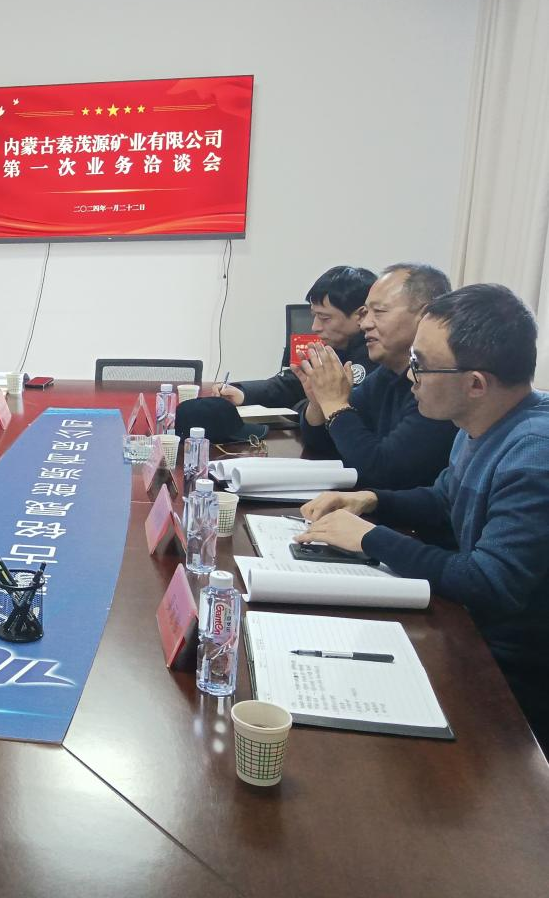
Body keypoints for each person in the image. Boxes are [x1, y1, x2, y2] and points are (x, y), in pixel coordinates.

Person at [297, 284, 549, 745]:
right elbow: (444, 498)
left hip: (508, 680)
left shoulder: (534, 453)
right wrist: (370, 500)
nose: (411, 376)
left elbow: (489, 583)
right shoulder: (479, 423)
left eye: (422, 364)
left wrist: (369, 538)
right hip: (470, 633)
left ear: (476, 384)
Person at [296, 262, 457, 489]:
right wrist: (318, 404)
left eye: (379, 312)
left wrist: (335, 405)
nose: (364, 324)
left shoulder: (441, 383)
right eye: (365, 313)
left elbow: (382, 472)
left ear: (425, 316)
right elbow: (325, 444)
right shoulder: (387, 373)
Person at [217, 265, 376, 409]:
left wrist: (304, 407)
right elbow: (292, 385)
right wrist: (243, 393)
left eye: (325, 318)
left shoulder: (377, 356)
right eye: (314, 315)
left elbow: (345, 404)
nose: (315, 327)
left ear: (361, 315)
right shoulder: (334, 348)